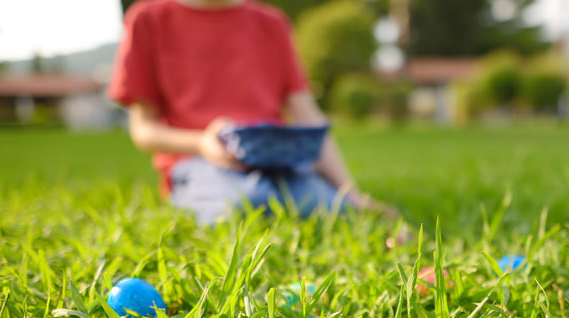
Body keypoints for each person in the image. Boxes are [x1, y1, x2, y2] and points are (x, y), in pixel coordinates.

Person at [109, 0, 387, 224]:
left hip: (276, 161)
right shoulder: (148, 19)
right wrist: (201, 143)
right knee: (251, 204)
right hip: (198, 161)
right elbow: (143, 130)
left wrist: (351, 194)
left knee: (332, 209)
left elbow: (309, 119)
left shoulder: (271, 23)